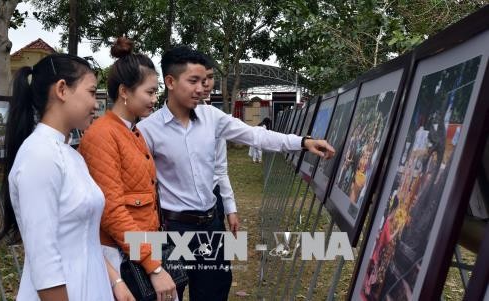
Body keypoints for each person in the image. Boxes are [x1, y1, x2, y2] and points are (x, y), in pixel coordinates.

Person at [137, 46, 335, 301]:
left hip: (210, 226)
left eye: (204, 80)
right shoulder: (147, 131)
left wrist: (303, 142)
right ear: (171, 82)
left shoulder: (212, 117)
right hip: (172, 229)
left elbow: (255, 135)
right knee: (168, 293)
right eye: (193, 81)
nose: (202, 88)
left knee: (214, 292)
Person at [0, 53, 133, 300]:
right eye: (91, 92)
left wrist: (115, 280)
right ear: (62, 89)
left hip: (91, 284)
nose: (95, 104)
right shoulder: (40, 156)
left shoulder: (70, 155)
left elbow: (83, 236)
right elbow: (44, 258)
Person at [78, 37, 177, 301]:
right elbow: (111, 210)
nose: (155, 99)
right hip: (121, 255)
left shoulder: (133, 131)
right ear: (125, 91)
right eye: (150, 91)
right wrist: (153, 266)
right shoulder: (102, 135)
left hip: (141, 248)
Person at [200, 56, 239, 236]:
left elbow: (220, 169)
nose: (206, 83)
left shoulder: (214, 118)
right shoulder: (154, 126)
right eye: (198, 79)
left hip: (214, 204)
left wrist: (230, 208)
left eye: (210, 77)